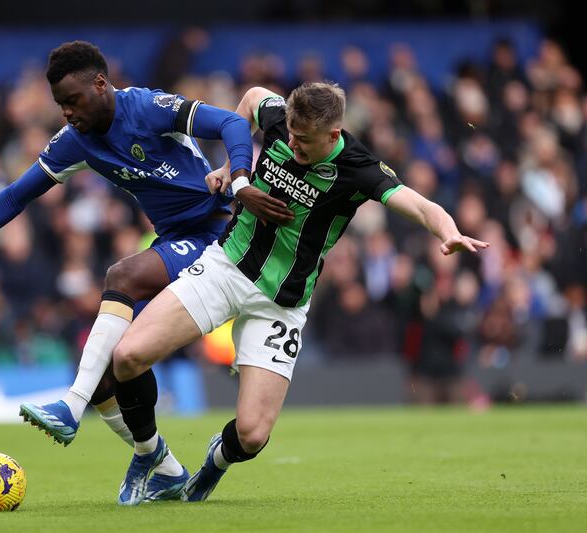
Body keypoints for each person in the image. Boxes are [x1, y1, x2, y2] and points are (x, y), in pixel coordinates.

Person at [0, 40, 291, 501]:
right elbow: (15, 196)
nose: (67, 113)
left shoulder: (148, 107)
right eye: (60, 105)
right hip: (174, 239)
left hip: (219, 232)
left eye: (72, 101)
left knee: (121, 276)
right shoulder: (76, 142)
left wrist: (238, 178)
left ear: (101, 84)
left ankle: (71, 406)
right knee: (109, 372)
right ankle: (160, 461)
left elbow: (234, 121)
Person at [109, 81, 489, 505]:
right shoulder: (281, 121)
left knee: (252, 435)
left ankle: (216, 461)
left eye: (303, 140)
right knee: (127, 357)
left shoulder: (358, 167)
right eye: (289, 133)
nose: (292, 144)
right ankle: (151, 457)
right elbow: (252, 98)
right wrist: (229, 166)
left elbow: (420, 205)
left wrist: (450, 231)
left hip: (282, 304)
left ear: (333, 135)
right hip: (225, 268)